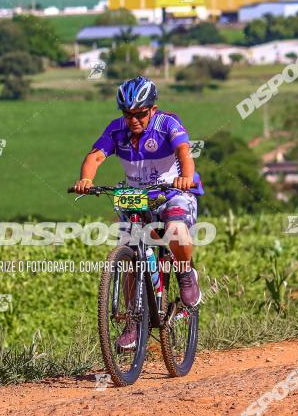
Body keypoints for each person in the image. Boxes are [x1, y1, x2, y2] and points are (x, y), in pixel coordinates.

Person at [73, 76, 203, 348]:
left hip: (172, 192)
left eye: (140, 114)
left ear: (152, 109)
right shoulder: (116, 130)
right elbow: (95, 156)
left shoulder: (167, 124)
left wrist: (186, 177)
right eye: (127, 114)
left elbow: (183, 149)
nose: (133, 120)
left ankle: (185, 273)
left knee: (175, 230)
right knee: (131, 255)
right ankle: (133, 322)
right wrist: (86, 179)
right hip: (136, 197)